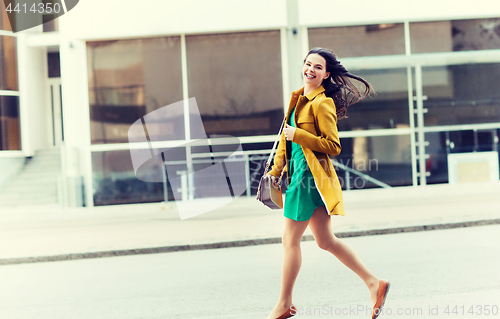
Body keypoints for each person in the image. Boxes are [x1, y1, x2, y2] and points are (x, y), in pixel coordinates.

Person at [264, 48, 390, 319]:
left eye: (317, 67)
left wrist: (299, 134)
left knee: (289, 241)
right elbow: (285, 143)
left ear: (326, 74)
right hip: (298, 175)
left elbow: (333, 146)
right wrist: (275, 171)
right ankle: (373, 283)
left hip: (307, 178)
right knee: (325, 241)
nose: (310, 69)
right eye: (308, 64)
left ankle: (284, 303)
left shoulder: (322, 103)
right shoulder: (297, 98)